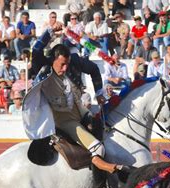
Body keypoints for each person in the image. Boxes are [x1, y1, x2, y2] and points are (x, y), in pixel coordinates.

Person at [25, 28, 125, 176]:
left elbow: (94, 69)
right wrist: (49, 32)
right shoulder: (43, 65)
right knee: (98, 148)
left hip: (80, 109)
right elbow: (37, 48)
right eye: (62, 65)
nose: (65, 68)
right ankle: (102, 185)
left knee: (103, 127)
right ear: (53, 60)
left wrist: (98, 92)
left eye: (67, 64)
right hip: (62, 119)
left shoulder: (74, 61)